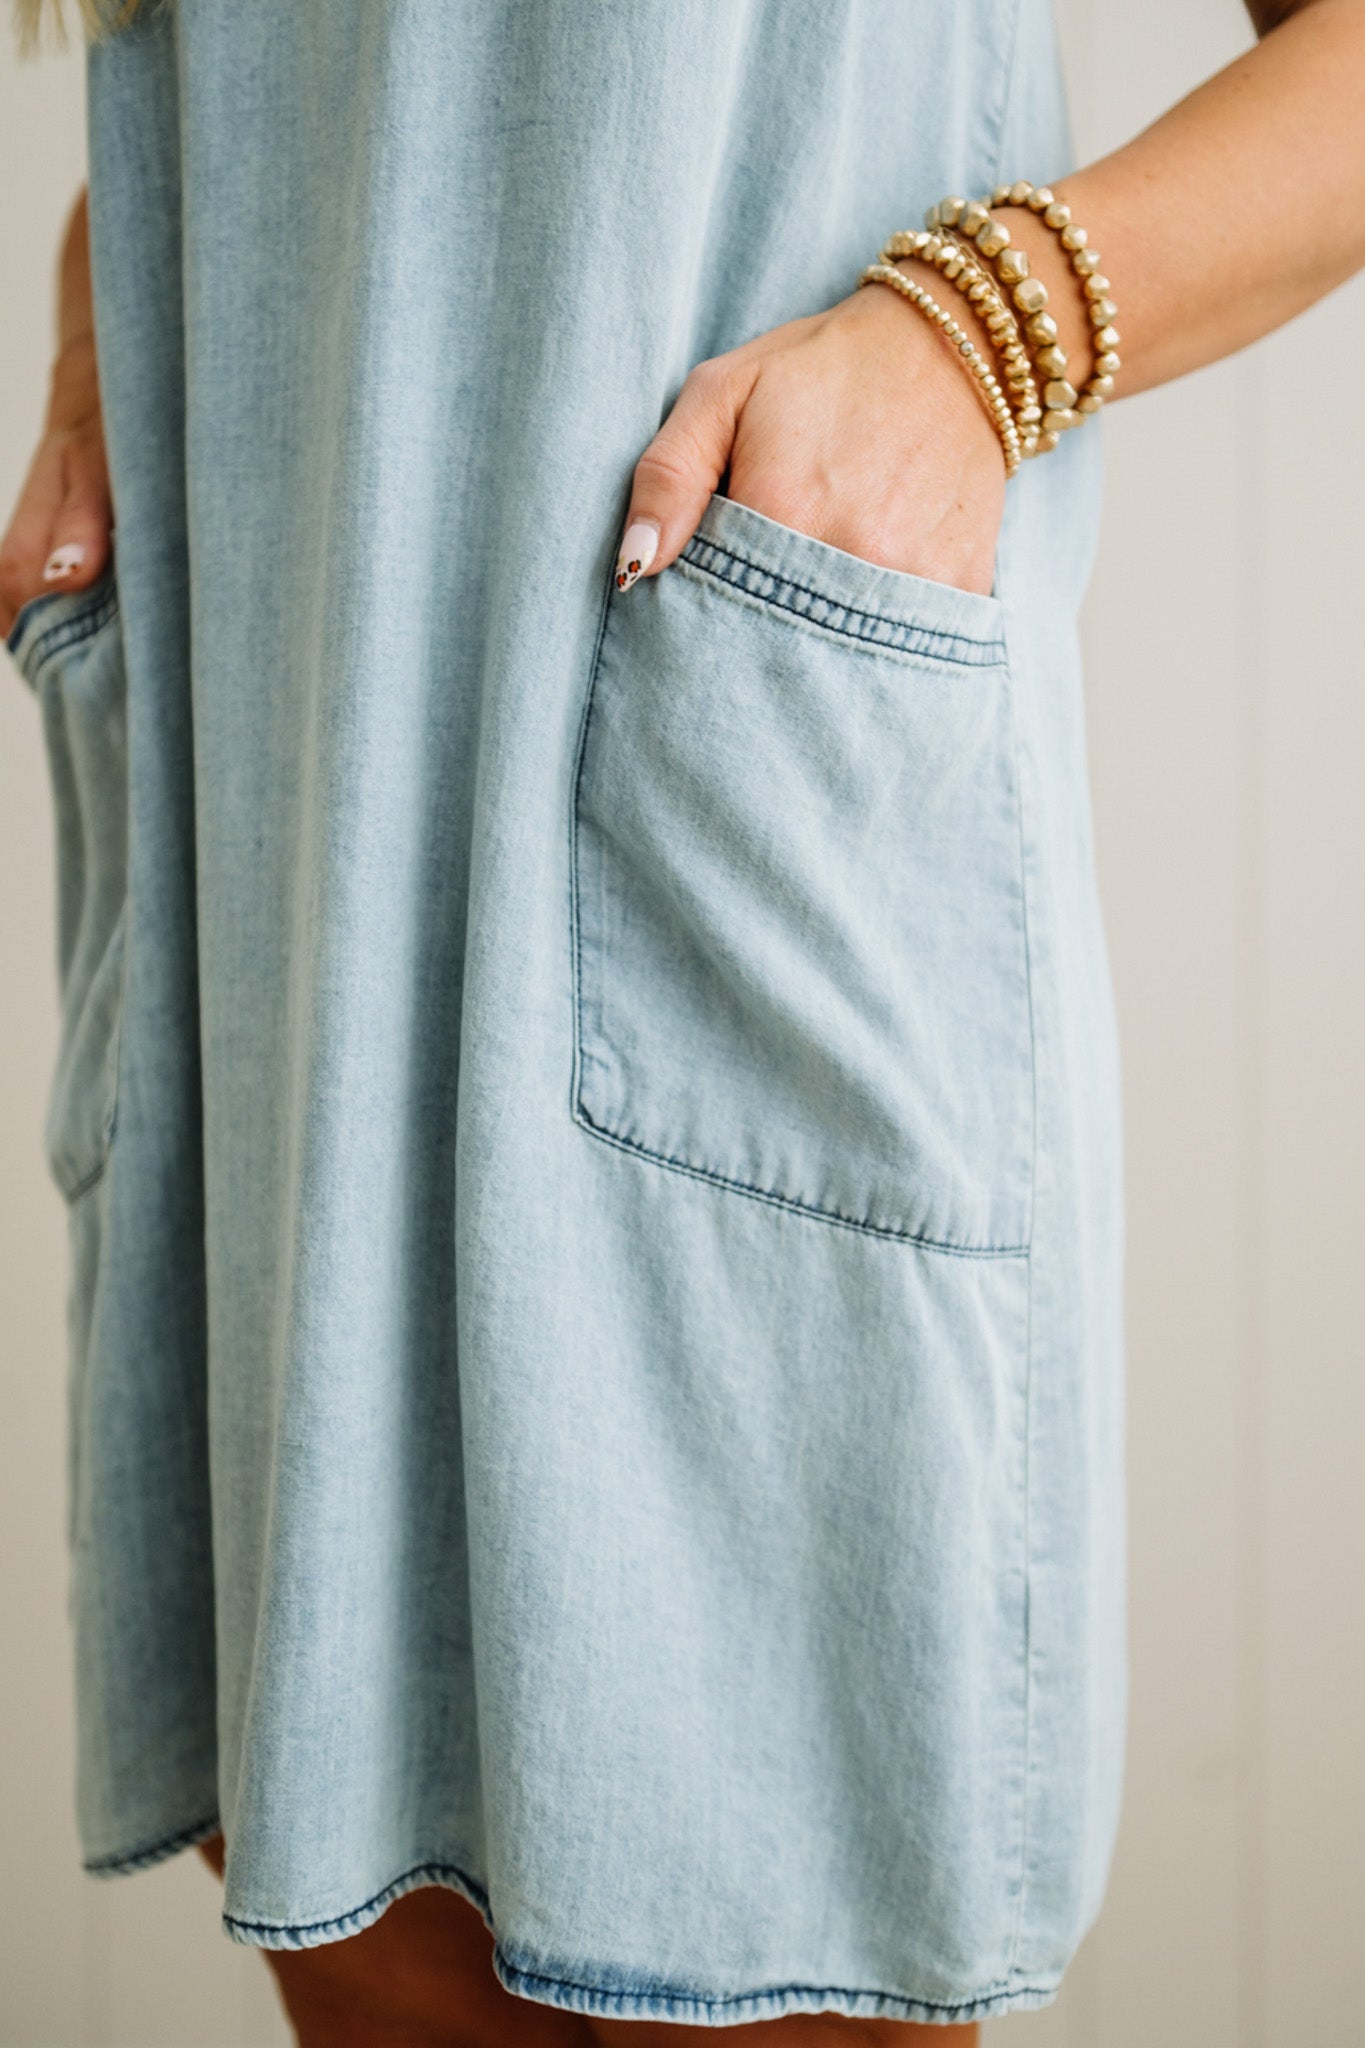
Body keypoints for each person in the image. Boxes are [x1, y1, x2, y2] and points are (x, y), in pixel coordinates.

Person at [2, 0, 1361, 2043]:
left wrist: (976, 328)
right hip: (282, 788)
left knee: (746, 1910)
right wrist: (106, 299)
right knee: (365, 1946)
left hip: (708, 755)